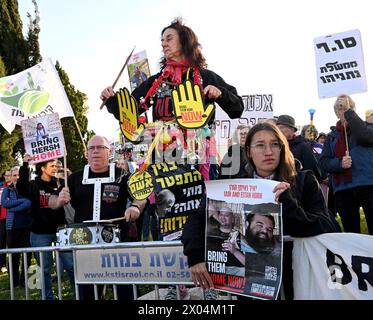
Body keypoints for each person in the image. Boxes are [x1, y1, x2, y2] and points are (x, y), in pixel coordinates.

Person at [182, 122, 339, 300]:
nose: (268, 151)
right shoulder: (233, 186)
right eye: (260, 145)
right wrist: (195, 256)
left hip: (298, 281)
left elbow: (327, 226)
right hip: (251, 286)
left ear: (282, 148)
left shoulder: (304, 181)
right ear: (248, 151)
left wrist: (287, 203)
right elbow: (196, 218)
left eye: (274, 144)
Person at [100, 17, 244, 178]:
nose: (163, 44)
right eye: (161, 40)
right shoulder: (156, 81)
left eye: (169, 38)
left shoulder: (205, 76)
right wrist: (112, 101)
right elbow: (129, 113)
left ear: (185, 41)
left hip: (199, 158)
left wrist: (220, 93)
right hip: (163, 157)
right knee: (164, 202)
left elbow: (237, 109)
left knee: (199, 200)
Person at [49, 135, 146, 300]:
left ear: (109, 152)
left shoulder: (122, 175)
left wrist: (135, 207)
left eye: (100, 148)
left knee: (126, 293)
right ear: (86, 153)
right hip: (85, 248)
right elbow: (51, 201)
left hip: (117, 246)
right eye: (91, 148)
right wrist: (58, 200)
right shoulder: (74, 178)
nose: (95, 152)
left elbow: (141, 195)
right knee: (88, 294)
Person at [16, 157, 75, 299]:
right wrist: (25, 164)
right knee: (44, 269)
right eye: (51, 165)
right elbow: (21, 186)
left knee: (71, 266)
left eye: (56, 165)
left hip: (62, 231)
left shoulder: (60, 183)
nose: (55, 168)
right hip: (40, 233)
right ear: (42, 168)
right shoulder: (34, 185)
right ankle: (48, 297)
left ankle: (79, 294)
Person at [319, 94, 373, 235]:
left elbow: (365, 137)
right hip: (343, 189)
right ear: (336, 113)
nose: (342, 110)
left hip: (368, 184)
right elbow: (323, 162)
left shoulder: (367, 127)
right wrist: (339, 163)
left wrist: (349, 113)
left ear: (353, 109)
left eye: (345, 107)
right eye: (339, 108)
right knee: (351, 233)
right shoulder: (331, 137)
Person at [1, 166, 32, 287]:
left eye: (19, 175)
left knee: (27, 255)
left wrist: (12, 208)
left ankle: (24, 281)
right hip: (11, 227)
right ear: (11, 177)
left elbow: (29, 204)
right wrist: (22, 203)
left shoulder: (28, 189)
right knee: (13, 256)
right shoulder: (6, 190)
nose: (17, 177)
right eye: (14, 175)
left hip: (26, 227)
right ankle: (13, 282)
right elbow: (4, 203)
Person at [276, 115, 324, 183]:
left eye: (281, 127)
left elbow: (312, 170)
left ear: (292, 130)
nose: (278, 130)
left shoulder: (304, 146)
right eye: (277, 128)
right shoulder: (276, 146)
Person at [0, 170, 12, 273]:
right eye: (6, 175)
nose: (8, 177)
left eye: (9, 175)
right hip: (2, 218)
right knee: (1, 241)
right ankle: (2, 264)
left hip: (13, 217)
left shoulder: (15, 187)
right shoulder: (1, 186)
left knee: (11, 241)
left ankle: (11, 265)